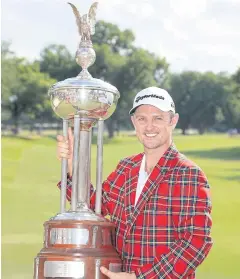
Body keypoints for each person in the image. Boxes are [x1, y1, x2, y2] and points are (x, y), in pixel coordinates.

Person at [57, 87, 213, 279]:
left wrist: (141, 277)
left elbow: (196, 243)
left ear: (173, 121)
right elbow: (93, 207)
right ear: (134, 122)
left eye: (158, 118)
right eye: (142, 119)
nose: (149, 127)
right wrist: (74, 165)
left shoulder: (189, 174)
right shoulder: (126, 167)